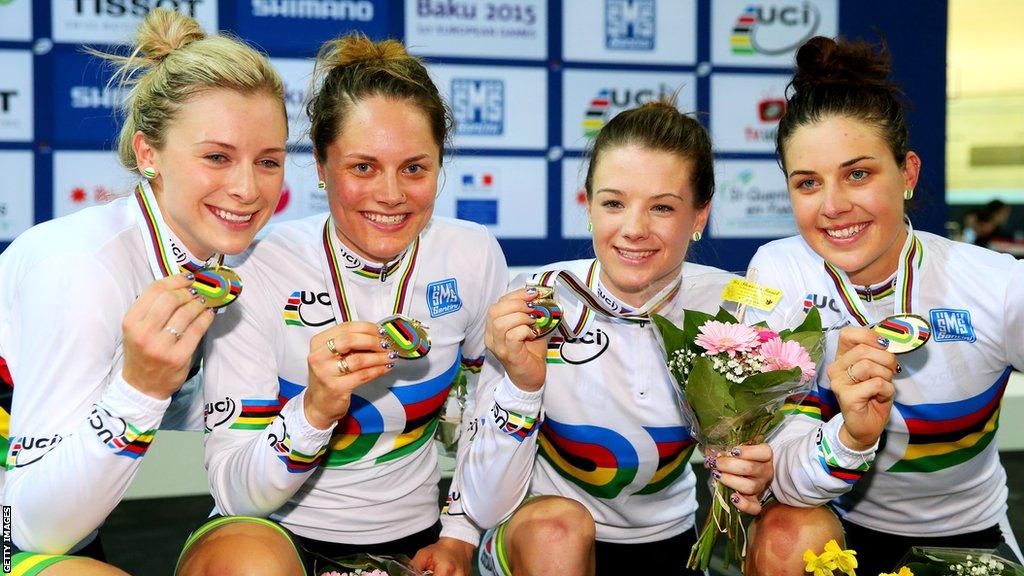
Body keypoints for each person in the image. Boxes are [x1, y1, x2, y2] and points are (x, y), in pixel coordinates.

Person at [175, 34, 508, 576]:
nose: (392, 194)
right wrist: (312, 412)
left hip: (421, 540)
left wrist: (461, 534)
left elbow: (486, 419)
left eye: (415, 169)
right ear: (322, 167)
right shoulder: (254, 268)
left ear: (440, 167)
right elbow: (235, 492)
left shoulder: (471, 254)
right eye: (362, 168)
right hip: (271, 533)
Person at [0, 8, 287, 574]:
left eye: (269, 161)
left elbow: (192, 407)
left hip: (60, 510)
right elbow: (32, 526)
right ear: (148, 154)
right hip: (28, 517)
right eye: (217, 157)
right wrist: (140, 389)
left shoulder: (213, 252)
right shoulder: (83, 269)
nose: (248, 188)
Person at [455, 101, 776, 576]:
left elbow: (782, 457)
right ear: (588, 206)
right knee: (557, 533)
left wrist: (762, 471)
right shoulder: (534, 300)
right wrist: (523, 387)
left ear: (699, 216)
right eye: (613, 203)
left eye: (662, 207)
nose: (633, 229)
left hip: (671, 540)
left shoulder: (736, 305)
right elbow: (482, 505)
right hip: (543, 539)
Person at [744, 36, 1024, 575]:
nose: (833, 206)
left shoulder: (994, 284)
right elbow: (779, 474)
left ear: (909, 174)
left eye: (858, 174)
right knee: (784, 535)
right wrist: (852, 435)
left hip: (969, 534)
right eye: (808, 183)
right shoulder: (780, 272)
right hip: (833, 517)